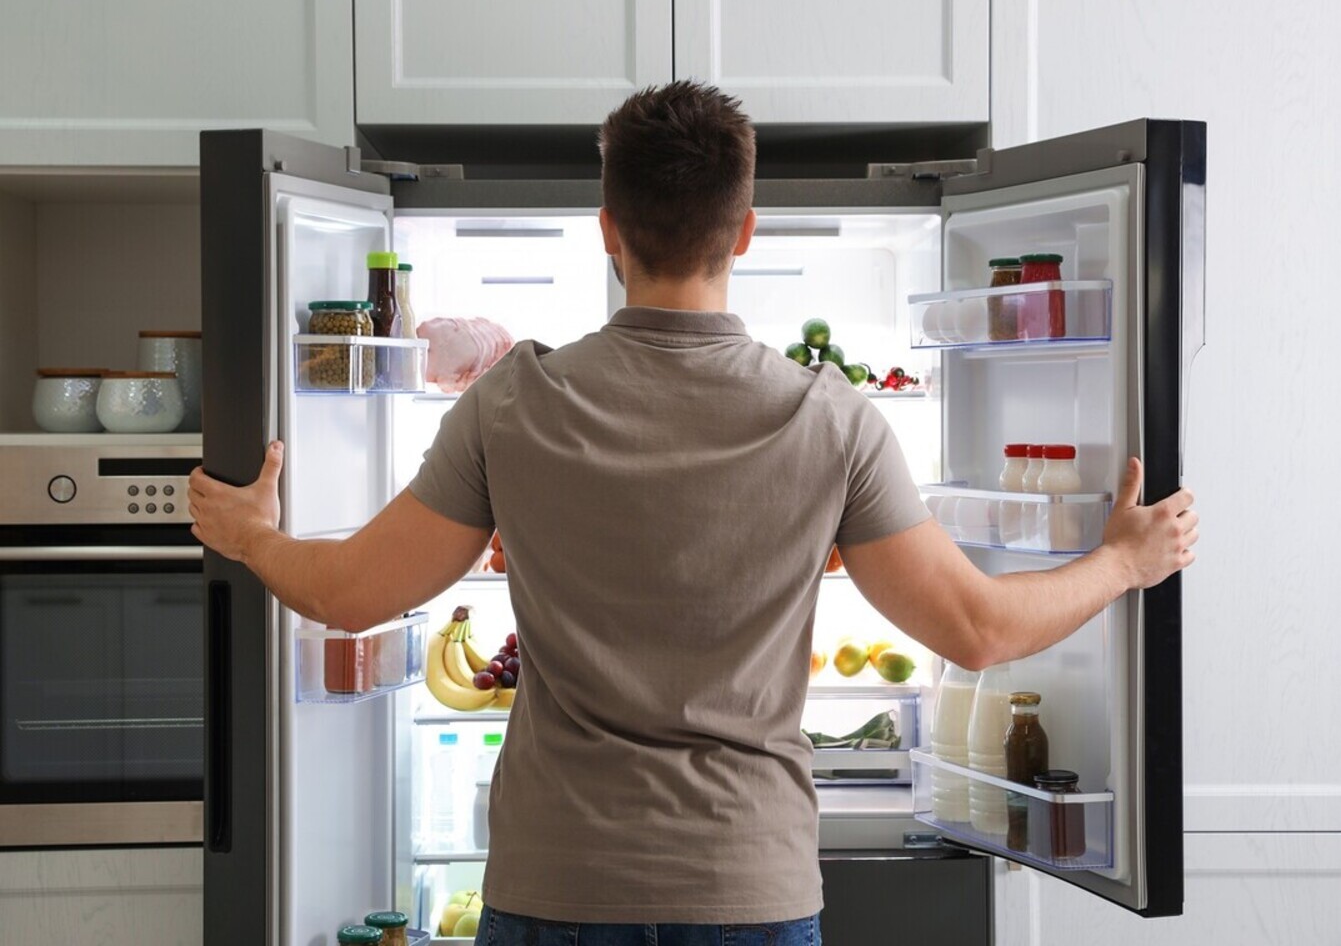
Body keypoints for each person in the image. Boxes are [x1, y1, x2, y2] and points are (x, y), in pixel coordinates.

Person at [188, 81, 1197, 946]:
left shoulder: (512, 404)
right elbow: (977, 629)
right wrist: (1122, 559)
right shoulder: (831, 420)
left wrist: (248, 533)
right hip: (747, 891)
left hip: (553, 888)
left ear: (608, 231)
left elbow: (354, 593)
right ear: (746, 231)